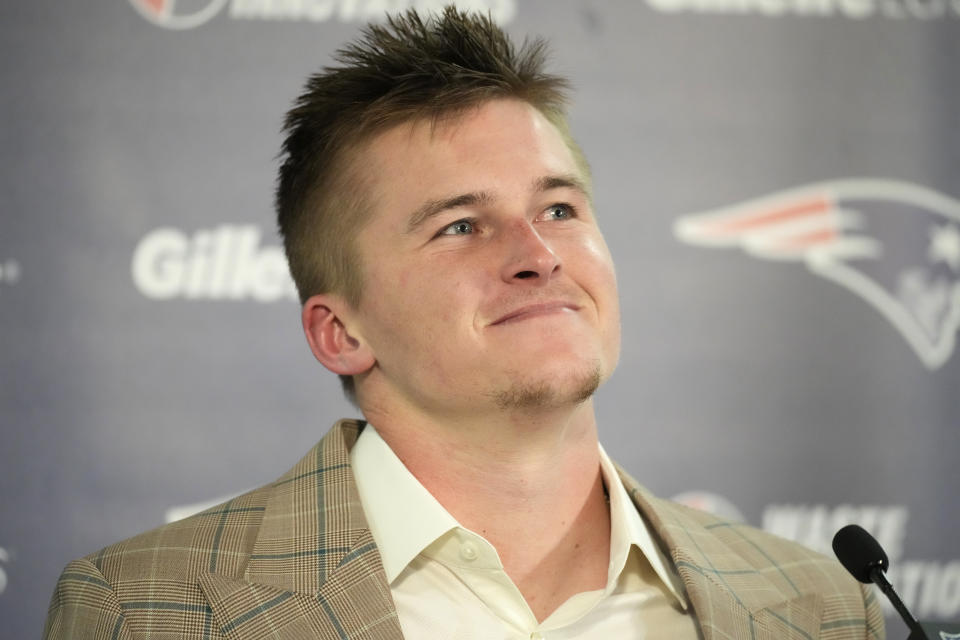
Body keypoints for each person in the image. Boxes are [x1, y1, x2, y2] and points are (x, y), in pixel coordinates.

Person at [44, 8, 884, 639]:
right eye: (460, 225)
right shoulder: (142, 608)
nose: (537, 254)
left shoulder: (825, 605)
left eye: (558, 207)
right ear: (340, 332)